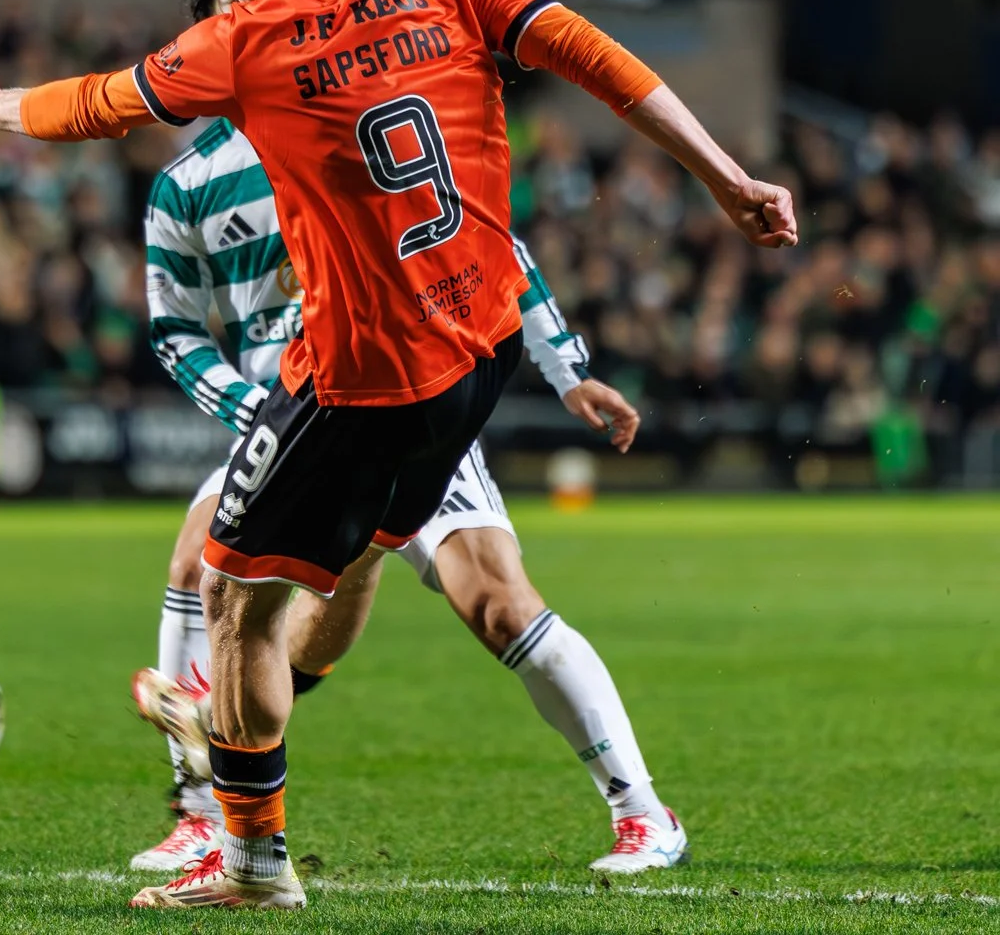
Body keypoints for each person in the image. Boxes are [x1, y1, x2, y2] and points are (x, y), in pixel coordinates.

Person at [0, 0, 794, 910]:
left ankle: (246, 858)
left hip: (362, 378)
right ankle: (243, 757)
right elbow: (597, 59)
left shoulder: (245, 37)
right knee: (347, 565)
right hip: (476, 355)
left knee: (231, 593)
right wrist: (723, 176)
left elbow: (99, 101)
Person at [128, 98, 682, 879]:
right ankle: (198, 813)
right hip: (291, 417)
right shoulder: (188, 184)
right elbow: (175, 329)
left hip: (412, 398)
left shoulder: (360, 117)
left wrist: (568, 371)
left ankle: (644, 815)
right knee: (198, 561)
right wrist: (256, 411)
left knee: (497, 603)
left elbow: (491, 242)